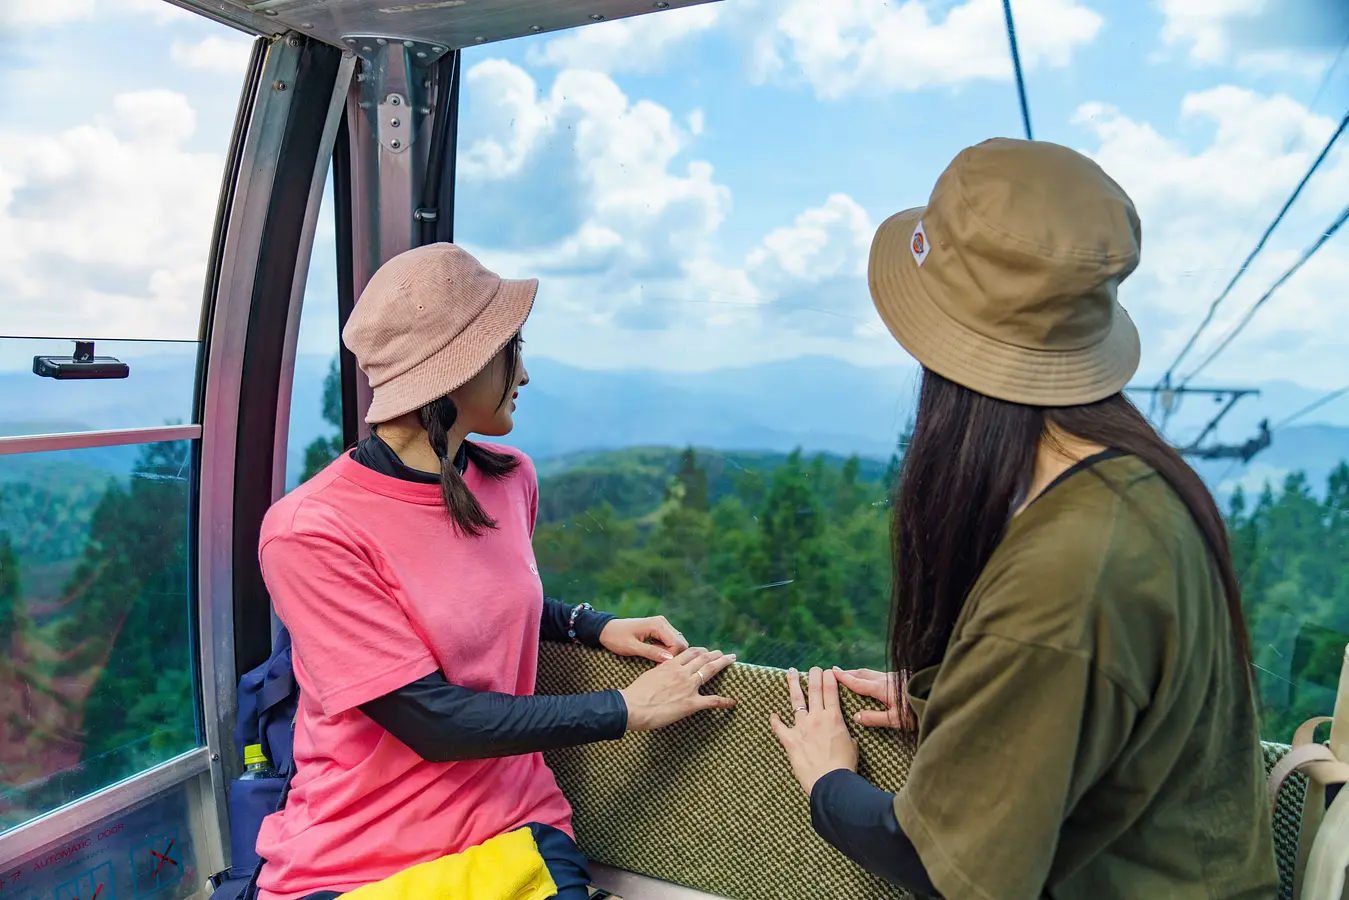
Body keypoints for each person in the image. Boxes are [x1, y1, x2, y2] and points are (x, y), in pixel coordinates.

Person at [770, 139, 1278, 900]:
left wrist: (827, 781)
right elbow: (1104, 725)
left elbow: (946, 869)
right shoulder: (1135, 487)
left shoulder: (1062, 573)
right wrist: (953, 701)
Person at [253, 243, 737, 900]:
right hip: (356, 860)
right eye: (513, 349)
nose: (525, 374)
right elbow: (431, 720)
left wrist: (586, 624)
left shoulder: (509, 482)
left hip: (514, 833)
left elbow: (476, 596)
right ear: (458, 368)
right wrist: (623, 708)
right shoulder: (309, 529)